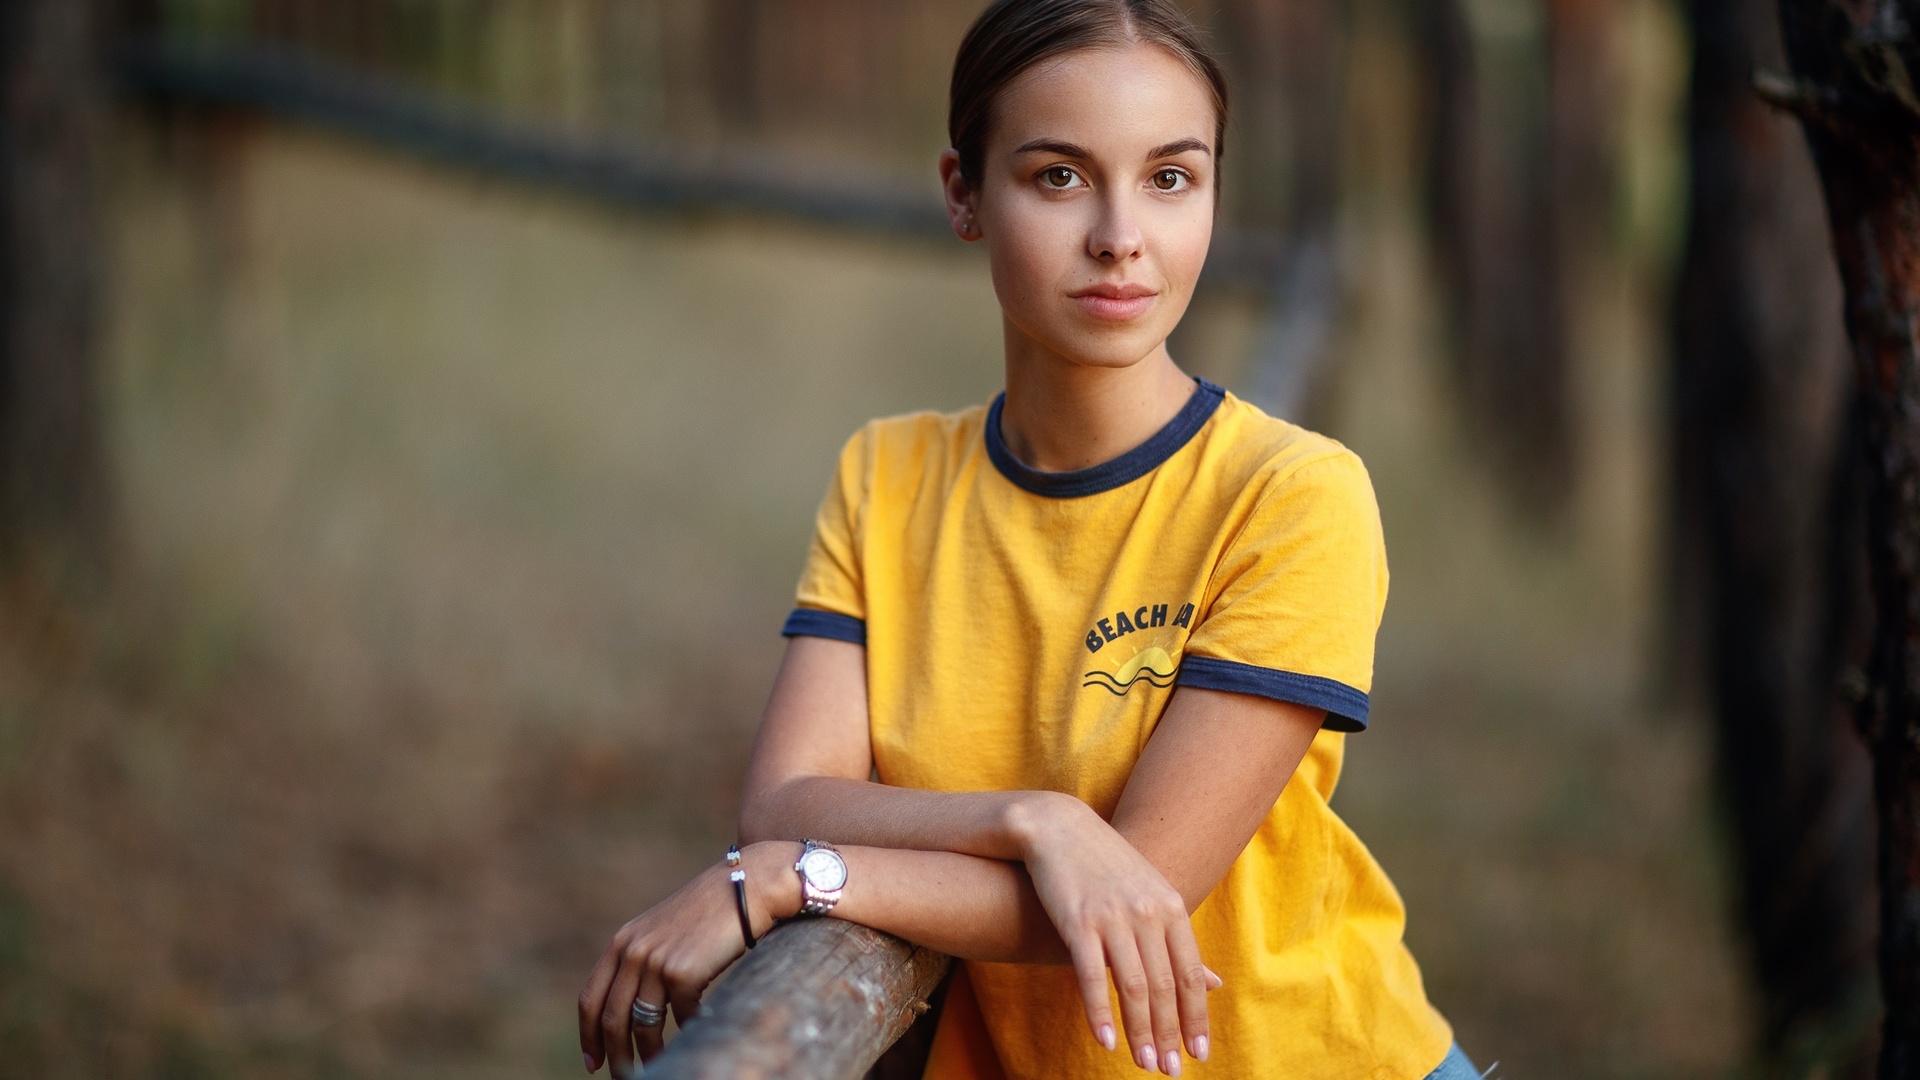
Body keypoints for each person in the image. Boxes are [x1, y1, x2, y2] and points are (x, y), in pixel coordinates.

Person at [578, 1, 1484, 1076]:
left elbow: (1133, 890)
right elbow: (785, 797)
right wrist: (1034, 820)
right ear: (963, 193)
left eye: (1170, 178)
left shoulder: (1294, 496)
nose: (1119, 235)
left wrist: (791, 876)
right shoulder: (889, 475)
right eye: (1059, 176)